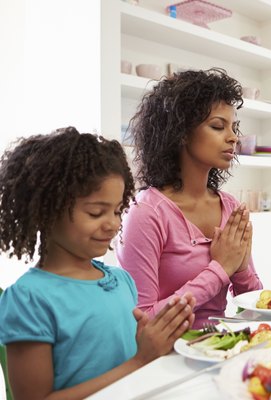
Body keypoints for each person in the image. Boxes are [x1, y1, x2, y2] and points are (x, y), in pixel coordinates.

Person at [0, 127, 194, 398]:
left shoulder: (122, 281)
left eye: (116, 211)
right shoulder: (29, 299)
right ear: (47, 210)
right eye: (95, 212)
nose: (113, 224)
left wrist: (163, 342)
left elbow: (134, 365)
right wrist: (139, 361)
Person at [118, 68, 262, 328]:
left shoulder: (229, 206)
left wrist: (240, 270)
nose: (233, 138)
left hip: (221, 346)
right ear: (181, 133)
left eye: (234, 127)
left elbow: (256, 309)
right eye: (218, 126)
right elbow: (143, 322)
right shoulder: (146, 213)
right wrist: (219, 270)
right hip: (167, 359)